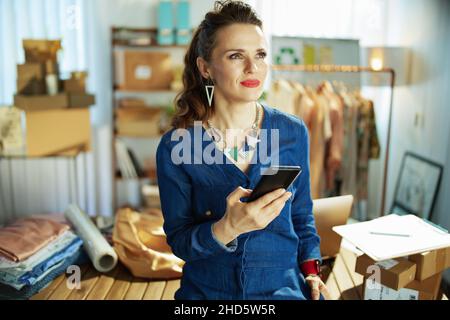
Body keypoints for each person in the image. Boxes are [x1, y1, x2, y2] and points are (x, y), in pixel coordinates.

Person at [156, 0, 330, 300]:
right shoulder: (177, 146)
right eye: (236, 56)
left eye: (260, 55)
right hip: (208, 293)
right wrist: (227, 227)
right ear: (205, 68)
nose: (253, 68)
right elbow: (180, 240)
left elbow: (301, 216)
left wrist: (312, 271)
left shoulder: (292, 131)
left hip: (283, 290)